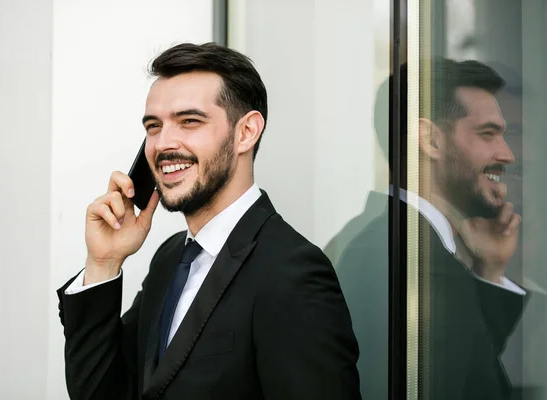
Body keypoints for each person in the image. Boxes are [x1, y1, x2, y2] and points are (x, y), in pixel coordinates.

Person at [56, 42, 361, 400]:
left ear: (246, 132)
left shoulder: (292, 274)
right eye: (153, 126)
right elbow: (102, 394)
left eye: (189, 121)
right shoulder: (170, 258)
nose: (163, 143)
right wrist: (103, 264)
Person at [334, 58, 528, 399]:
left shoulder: (388, 243)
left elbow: (461, 370)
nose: (507, 154)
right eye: (488, 133)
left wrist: (489, 272)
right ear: (430, 140)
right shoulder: (409, 260)